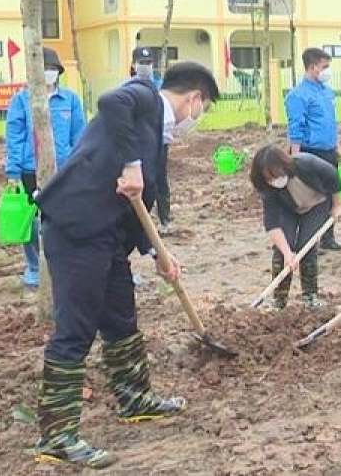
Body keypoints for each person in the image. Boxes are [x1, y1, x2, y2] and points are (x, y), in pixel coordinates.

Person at [32, 62, 219, 468]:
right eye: (202, 109)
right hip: (77, 226)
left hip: (109, 236)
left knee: (120, 317)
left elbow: (140, 206)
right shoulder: (142, 95)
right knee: (76, 328)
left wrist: (157, 254)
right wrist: (131, 165)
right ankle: (57, 436)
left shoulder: (157, 134)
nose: (197, 118)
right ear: (194, 99)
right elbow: (109, 101)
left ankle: (135, 398)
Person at [4, 48, 87, 288]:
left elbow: (80, 135)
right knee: (31, 221)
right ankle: (34, 267)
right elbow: (14, 136)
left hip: (64, 169)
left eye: (52, 69)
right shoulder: (21, 100)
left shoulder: (70, 100)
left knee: (65, 217)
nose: (49, 74)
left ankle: (65, 263)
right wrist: (13, 171)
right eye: (44, 69)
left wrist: (80, 165)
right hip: (31, 169)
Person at [248, 145, 341, 311]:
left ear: (284, 166)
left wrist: (336, 205)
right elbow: (272, 223)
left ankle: (310, 296)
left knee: (307, 246)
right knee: (282, 250)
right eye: (269, 178)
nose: (274, 180)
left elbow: (333, 177)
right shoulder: (268, 189)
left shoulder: (306, 163)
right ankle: (279, 300)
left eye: (276, 175)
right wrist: (287, 254)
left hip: (317, 204)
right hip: (289, 210)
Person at [285, 47, 341, 251]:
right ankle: (310, 241)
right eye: (324, 67)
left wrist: (336, 144)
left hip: (328, 150)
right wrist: (295, 157)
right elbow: (296, 126)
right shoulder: (298, 95)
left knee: (331, 195)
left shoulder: (327, 92)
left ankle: (328, 237)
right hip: (311, 153)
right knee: (313, 198)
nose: (327, 71)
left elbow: (331, 121)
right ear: (312, 68)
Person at [129, 47, 173, 233]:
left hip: (160, 140)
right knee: (141, 179)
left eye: (148, 63)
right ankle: (141, 221)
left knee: (160, 179)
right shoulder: (128, 88)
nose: (145, 67)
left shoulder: (161, 87)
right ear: (133, 65)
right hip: (138, 142)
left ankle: (166, 220)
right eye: (141, 63)